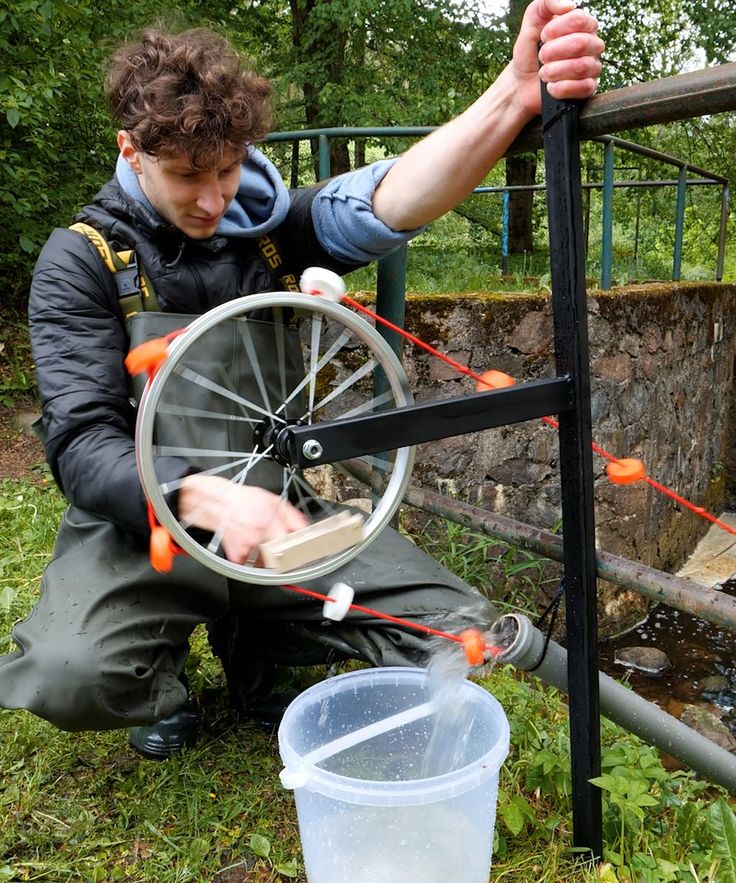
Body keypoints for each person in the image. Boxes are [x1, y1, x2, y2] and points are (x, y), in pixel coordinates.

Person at [0, 0, 603, 758]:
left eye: (226, 169)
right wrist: (196, 494)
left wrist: (513, 94)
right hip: (139, 523)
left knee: (455, 631)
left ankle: (258, 643)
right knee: (70, 672)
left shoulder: (271, 230)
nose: (215, 200)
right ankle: (159, 675)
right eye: (188, 176)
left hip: (279, 511)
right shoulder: (84, 259)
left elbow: (396, 195)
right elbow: (82, 440)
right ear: (132, 149)